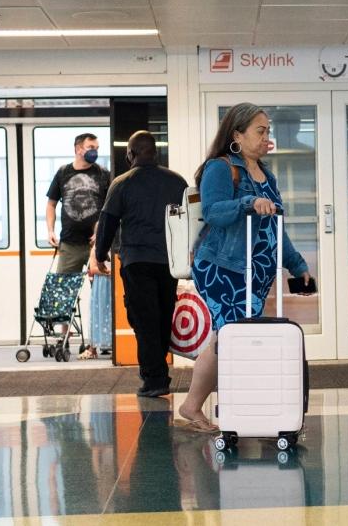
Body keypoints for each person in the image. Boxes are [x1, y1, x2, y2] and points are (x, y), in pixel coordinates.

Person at [178, 102, 313, 432]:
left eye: (268, 130)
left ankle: (194, 405)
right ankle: (236, 409)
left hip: (255, 272)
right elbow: (213, 211)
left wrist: (297, 264)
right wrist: (248, 202)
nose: (267, 137)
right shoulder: (221, 168)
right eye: (260, 130)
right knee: (232, 337)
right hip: (223, 268)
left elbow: (275, 228)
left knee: (227, 338)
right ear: (237, 134)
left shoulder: (266, 174)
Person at [93, 130, 187, 397]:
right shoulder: (176, 181)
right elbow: (192, 220)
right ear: (155, 152)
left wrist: (100, 255)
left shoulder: (122, 183)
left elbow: (108, 222)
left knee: (143, 319)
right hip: (168, 263)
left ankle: (155, 379)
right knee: (162, 317)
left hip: (136, 261)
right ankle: (158, 374)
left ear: (130, 154)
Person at [46, 132, 110, 346]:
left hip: (98, 245)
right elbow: (51, 204)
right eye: (91, 146)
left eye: (97, 147)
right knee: (65, 290)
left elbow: (111, 208)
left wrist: (102, 232)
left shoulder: (103, 174)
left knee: (102, 292)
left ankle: (102, 340)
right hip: (70, 243)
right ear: (78, 149)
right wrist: (50, 230)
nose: (95, 151)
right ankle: (64, 337)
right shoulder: (63, 173)